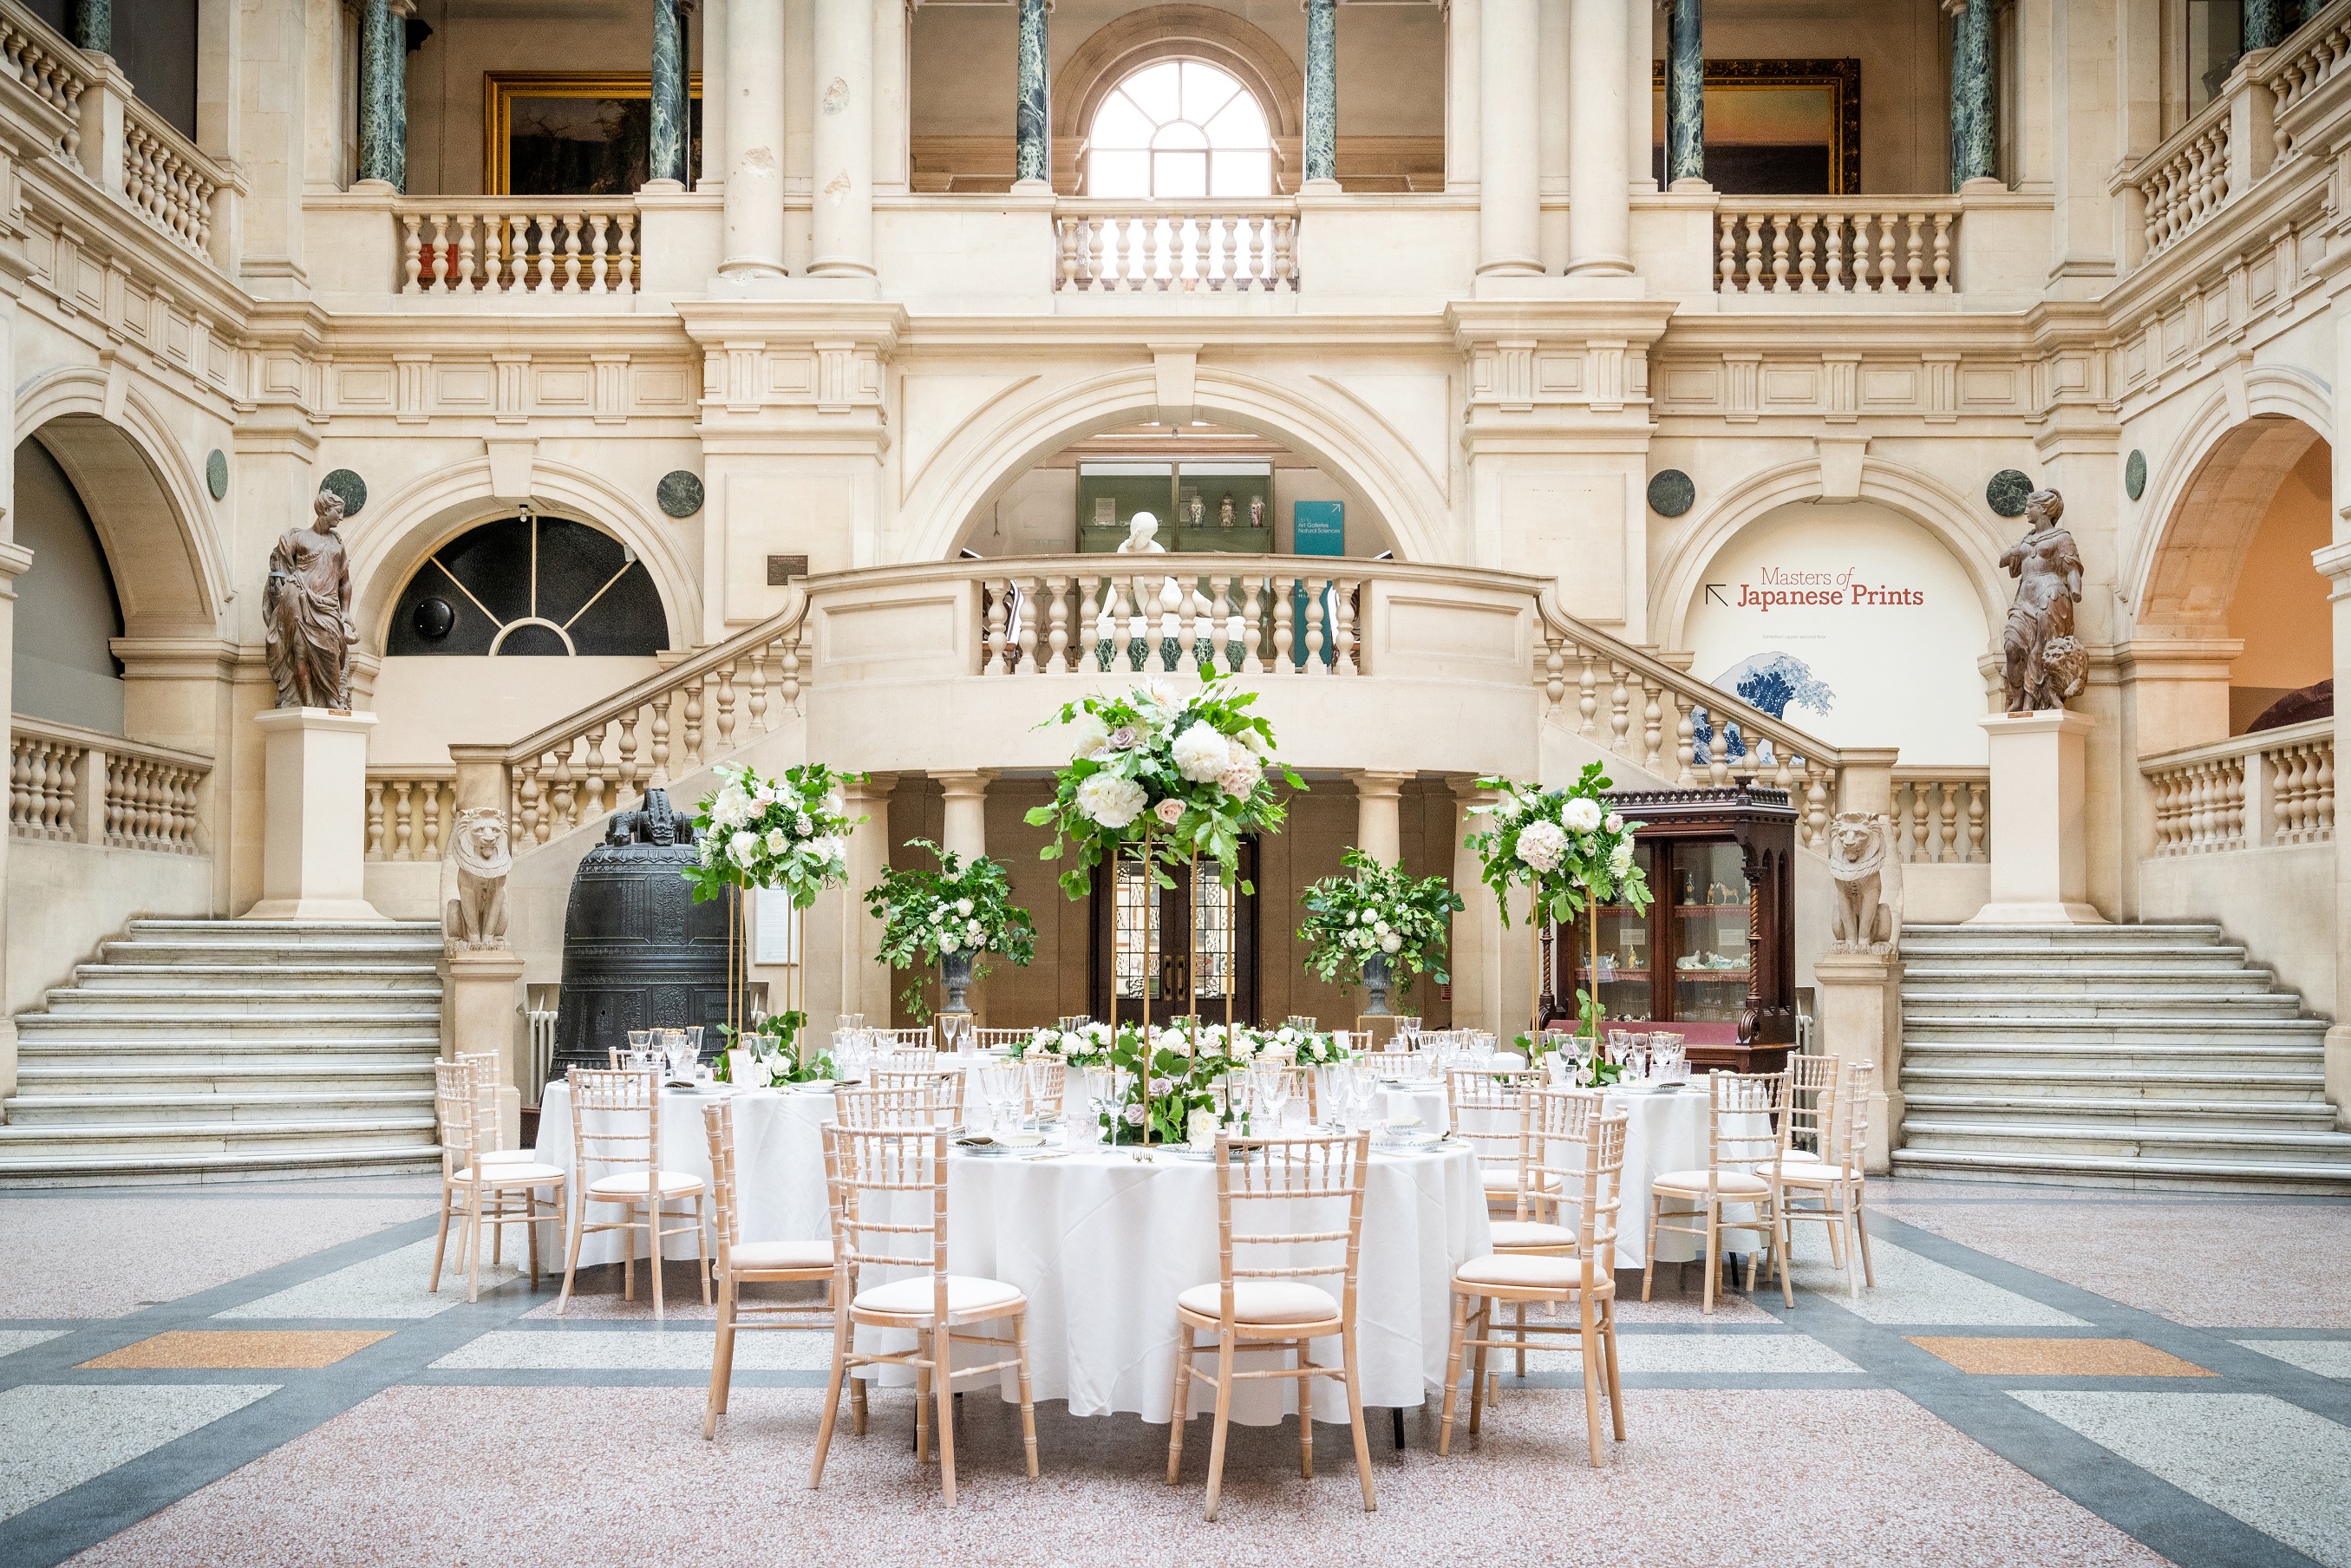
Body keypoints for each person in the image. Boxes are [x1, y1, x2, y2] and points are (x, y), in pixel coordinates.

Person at [264, 488, 358, 709]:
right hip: (298, 599)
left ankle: (334, 699)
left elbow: (345, 581)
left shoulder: (337, 544)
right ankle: (305, 702)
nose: (341, 517)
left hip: (328, 608)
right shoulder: (298, 538)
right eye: (338, 511)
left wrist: (345, 612)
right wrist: (280, 590)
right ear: (325, 510)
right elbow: (279, 570)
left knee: (332, 651)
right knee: (300, 653)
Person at [1996, 488, 2084, 711]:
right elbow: (2003, 561)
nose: (2026, 510)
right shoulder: (2027, 539)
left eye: (2030, 506)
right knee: (2011, 647)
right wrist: (2016, 551)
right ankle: (2017, 698)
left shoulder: (2061, 537)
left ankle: (2039, 700)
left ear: (2043, 508)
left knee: (2042, 651)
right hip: (2024, 598)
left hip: (2051, 595)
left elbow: (2072, 568)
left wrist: (2075, 590)